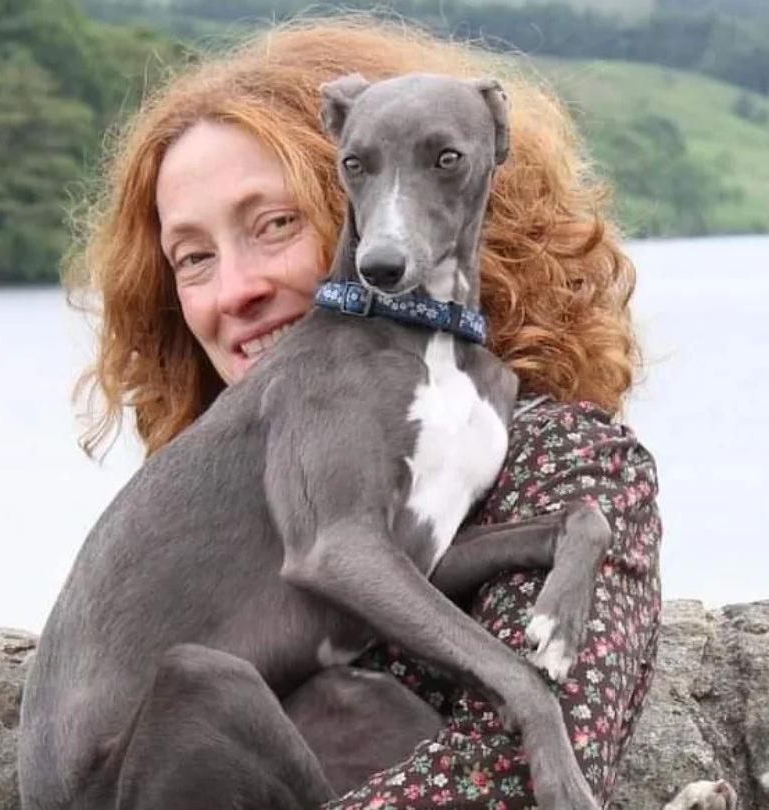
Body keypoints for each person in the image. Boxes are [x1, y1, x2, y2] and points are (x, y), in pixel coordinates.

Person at [72, 17, 660, 809]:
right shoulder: (252, 468)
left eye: (274, 224)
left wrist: (532, 670)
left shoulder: (565, 459)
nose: (235, 287)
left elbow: (511, 780)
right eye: (193, 257)